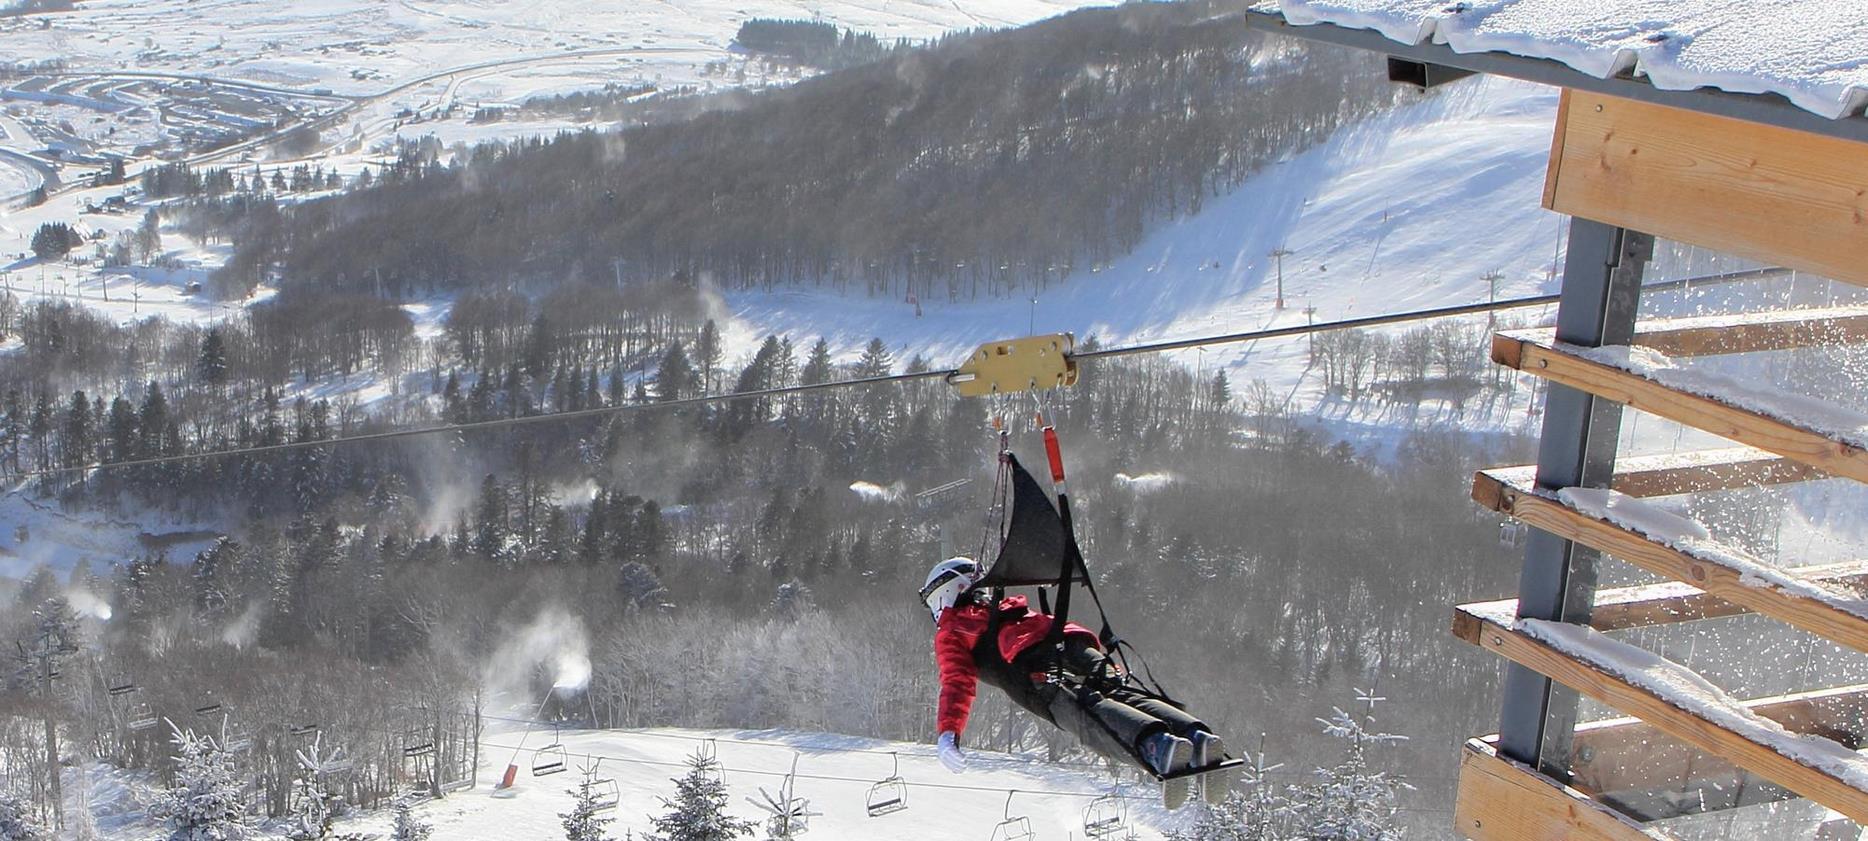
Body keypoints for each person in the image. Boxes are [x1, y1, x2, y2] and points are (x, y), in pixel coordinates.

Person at [921, 557, 1229, 807]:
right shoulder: (1004, 607)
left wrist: (948, 732)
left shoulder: (952, 629)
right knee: (1122, 693)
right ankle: (1197, 735)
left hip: (1032, 669)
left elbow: (956, 681)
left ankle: (1158, 747)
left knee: (1088, 716)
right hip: (1074, 641)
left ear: (944, 591)